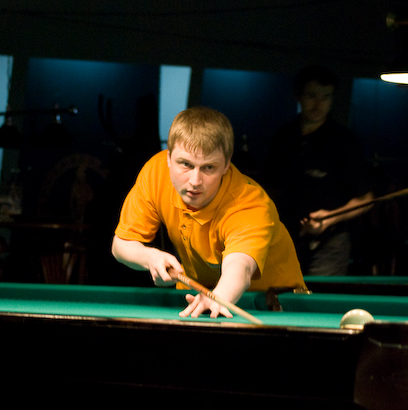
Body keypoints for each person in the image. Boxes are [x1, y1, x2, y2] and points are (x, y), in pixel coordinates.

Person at [112, 106, 305, 319]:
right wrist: (149, 257)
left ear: (226, 165)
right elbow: (121, 245)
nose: (195, 181)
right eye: (185, 164)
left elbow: (240, 267)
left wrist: (219, 296)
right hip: (201, 300)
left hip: (274, 306)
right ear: (168, 158)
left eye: (209, 167)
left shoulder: (248, 203)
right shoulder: (156, 173)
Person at [263, 65, 374, 276]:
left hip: (329, 242)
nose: (318, 104)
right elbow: (270, 189)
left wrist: (329, 218)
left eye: (325, 97)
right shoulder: (284, 137)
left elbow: (366, 199)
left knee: (319, 291)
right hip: (284, 239)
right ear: (298, 96)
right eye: (311, 96)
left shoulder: (344, 141)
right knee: (281, 293)